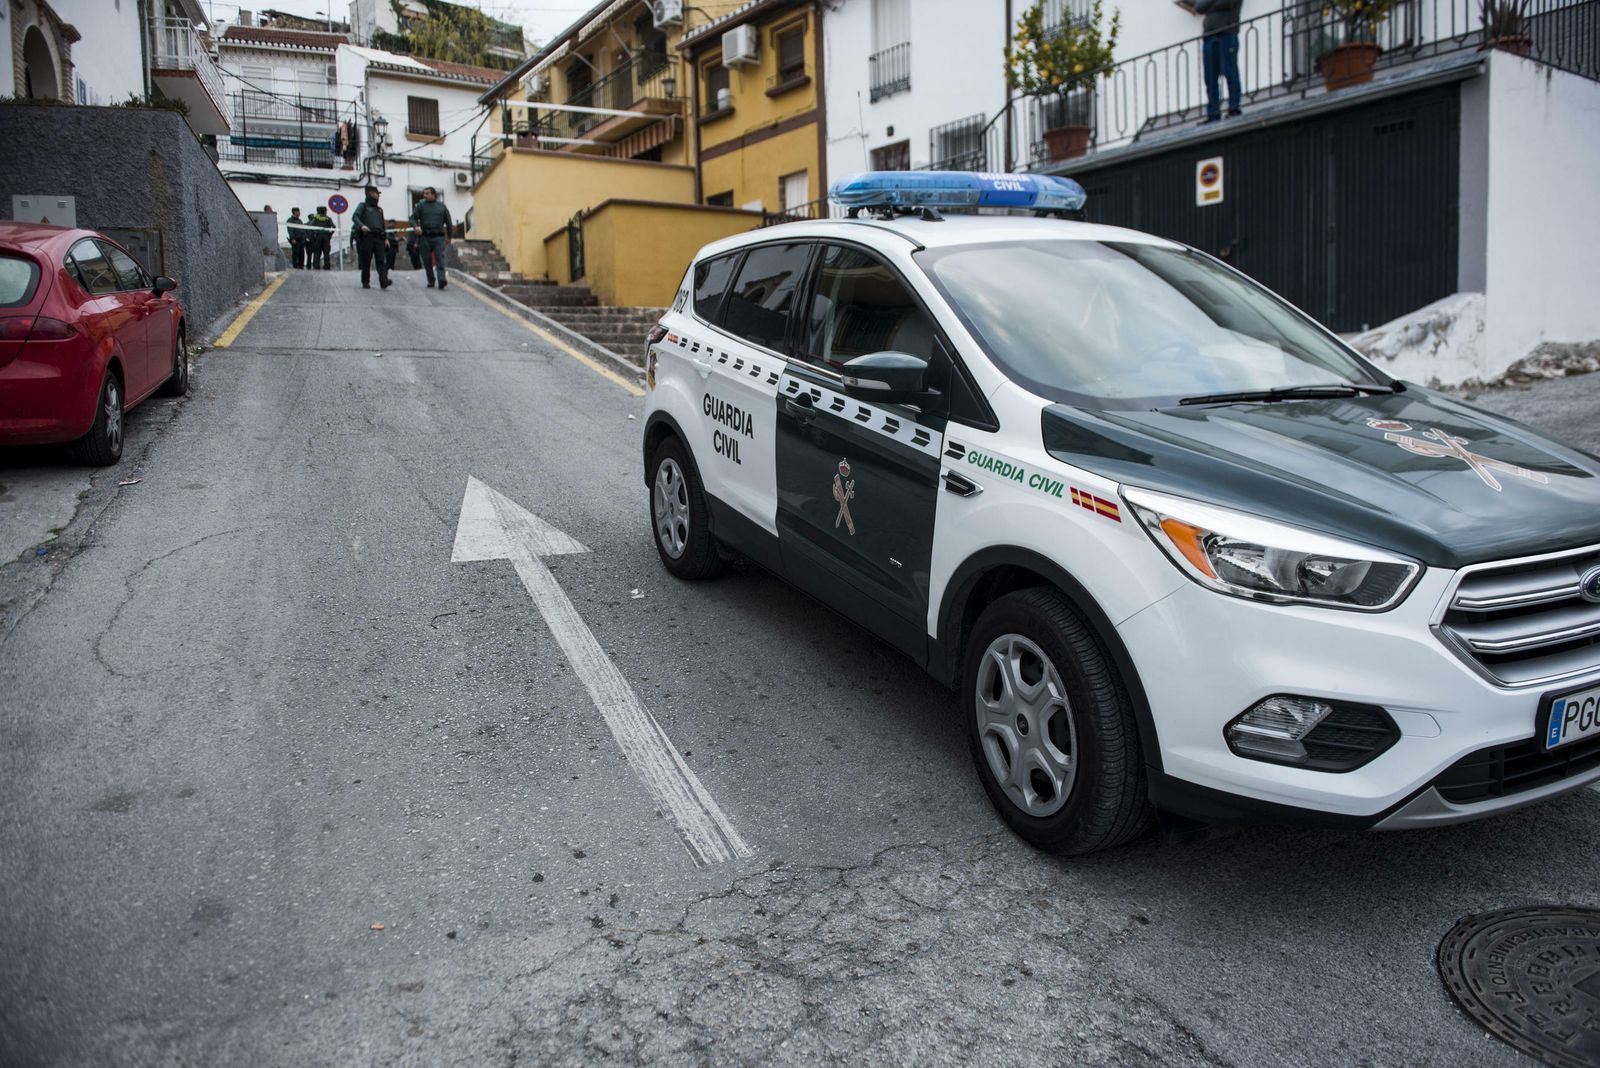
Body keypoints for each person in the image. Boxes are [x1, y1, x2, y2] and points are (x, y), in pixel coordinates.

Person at [1195, 0, 1243, 123]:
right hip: (1209, 36)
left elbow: (1229, 3)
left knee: (1230, 71)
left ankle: (1234, 108)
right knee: (1210, 77)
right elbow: (1199, 6)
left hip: (1227, 33)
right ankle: (1213, 112)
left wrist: (1208, 7)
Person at [409, 187, 453, 289]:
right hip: (425, 237)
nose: (425, 195)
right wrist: (415, 226)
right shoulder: (420, 206)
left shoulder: (442, 207)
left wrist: (449, 236)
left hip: (438, 237)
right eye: (424, 193)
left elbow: (449, 222)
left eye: (427, 193)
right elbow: (412, 218)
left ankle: (441, 279)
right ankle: (431, 280)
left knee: (439, 258)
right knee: (427, 260)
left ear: (433, 194)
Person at [349, 185, 392, 289]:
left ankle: (384, 281)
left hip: (379, 238)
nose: (378, 196)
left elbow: (382, 225)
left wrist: (385, 238)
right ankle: (365, 281)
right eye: (377, 193)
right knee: (366, 260)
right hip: (367, 236)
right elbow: (355, 217)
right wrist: (362, 225)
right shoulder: (363, 206)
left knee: (381, 261)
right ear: (370, 194)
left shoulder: (379, 210)